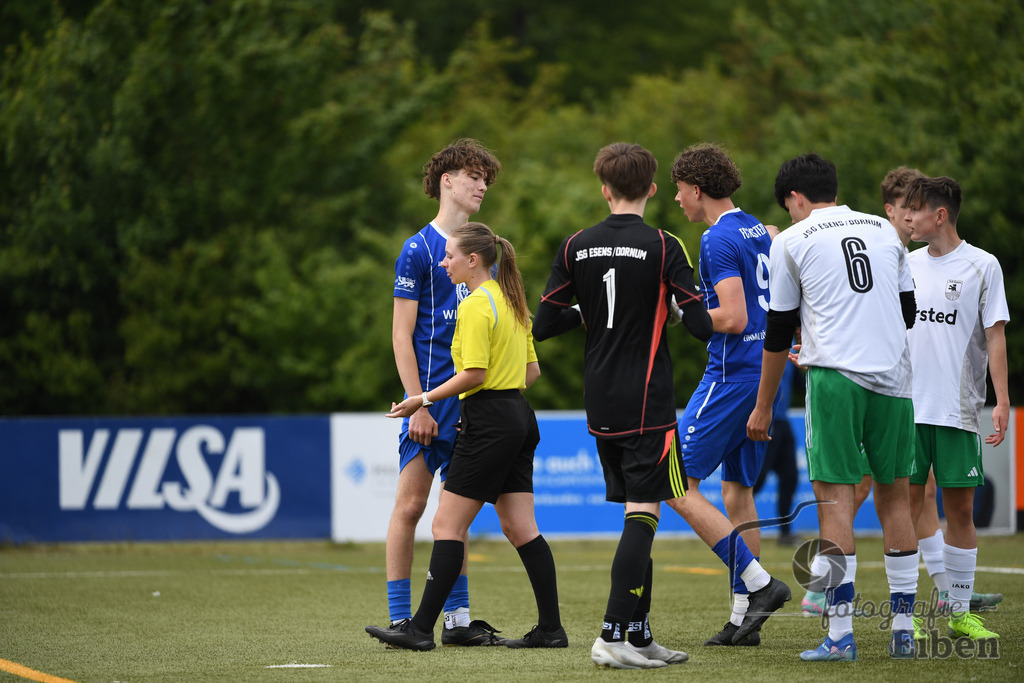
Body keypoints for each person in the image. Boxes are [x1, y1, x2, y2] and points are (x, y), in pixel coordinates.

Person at [534, 142, 788, 669]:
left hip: (605, 397)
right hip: (671, 391)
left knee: (653, 501)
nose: (674, 197)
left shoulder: (576, 244)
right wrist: (673, 307)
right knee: (667, 501)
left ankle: (651, 628)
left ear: (604, 189)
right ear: (649, 188)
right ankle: (742, 592)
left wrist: (590, 311)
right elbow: (701, 325)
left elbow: (543, 325)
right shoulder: (681, 241)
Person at [747, 153, 920, 661]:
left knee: (835, 503)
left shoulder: (791, 239)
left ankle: (841, 636)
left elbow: (778, 331)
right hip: (895, 377)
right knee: (896, 500)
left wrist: (763, 405)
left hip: (835, 378)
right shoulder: (884, 230)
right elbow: (907, 311)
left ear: (795, 198)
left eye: (789, 205)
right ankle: (903, 632)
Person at [367, 222, 565, 651]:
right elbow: (531, 372)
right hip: (518, 416)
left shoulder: (476, 304)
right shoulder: (512, 301)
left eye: (450, 256)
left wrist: (422, 399)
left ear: (473, 260)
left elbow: (473, 374)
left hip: (489, 419)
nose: (444, 263)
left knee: (446, 524)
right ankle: (551, 629)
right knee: (520, 526)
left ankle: (420, 629)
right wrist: (502, 397)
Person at [383, 139, 503, 646]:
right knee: (411, 507)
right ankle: (398, 618)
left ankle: (457, 620)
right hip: (430, 404)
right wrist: (418, 402)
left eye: (485, 180)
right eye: (474, 176)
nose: (482, 186)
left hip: (473, 402)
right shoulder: (418, 249)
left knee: (455, 516)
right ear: (446, 181)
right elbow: (401, 334)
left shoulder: (483, 248)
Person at [669, 142, 788, 647]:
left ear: (697, 190)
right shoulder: (756, 226)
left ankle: (760, 585)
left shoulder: (716, 238)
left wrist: (678, 313)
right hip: (766, 374)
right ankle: (745, 618)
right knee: (738, 493)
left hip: (731, 375)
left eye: (679, 191)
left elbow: (733, 317)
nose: (677, 200)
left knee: (673, 479)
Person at [903, 175, 1008, 641]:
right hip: (905, 408)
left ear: (940, 215)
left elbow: (995, 336)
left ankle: (960, 613)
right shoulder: (904, 264)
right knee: (905, 509)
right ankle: (907, 616)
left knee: (961, 511)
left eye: (916, 209)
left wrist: (1002, 399)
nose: (908, 217)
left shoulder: (983, 266)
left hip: (958, 410)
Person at [752, 361, 800, 548]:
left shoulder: (790, 354)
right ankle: (735, 528)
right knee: (757, 479)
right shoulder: (759, 350)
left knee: (790, 478)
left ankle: (785, 534)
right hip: (764, 421)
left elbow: (800, 385)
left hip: (783, 422)